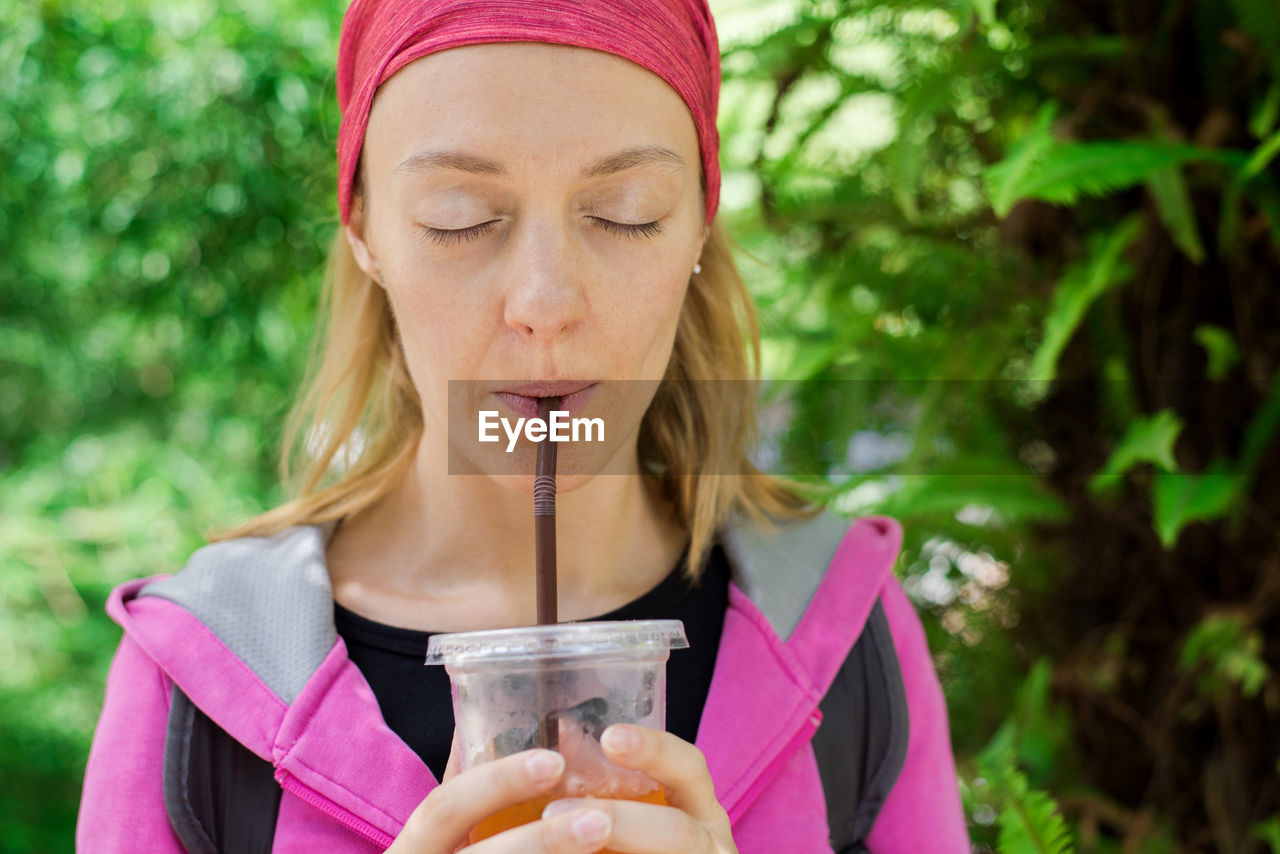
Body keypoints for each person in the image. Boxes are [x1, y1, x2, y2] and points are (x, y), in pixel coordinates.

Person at [76, 1, 971, 851]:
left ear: (700, 218)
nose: (544, 303)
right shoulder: (198, 679)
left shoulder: (846, 631)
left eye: (628, 215)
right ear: (365, 232)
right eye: (457, 221)